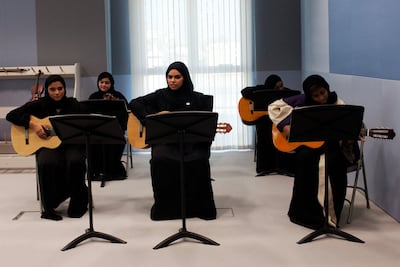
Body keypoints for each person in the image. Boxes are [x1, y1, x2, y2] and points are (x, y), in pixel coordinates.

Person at [128, 61, 217, 221]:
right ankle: (166, 209)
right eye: (169, 77)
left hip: (190, 143)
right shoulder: (160, 95)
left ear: (185, 78)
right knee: (159, 159)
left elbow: (205, 125)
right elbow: (134, 103)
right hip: (165, 142)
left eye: (177, 77)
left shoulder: (197, 99)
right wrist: (150, 118)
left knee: (198, 159)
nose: (172, 80)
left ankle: (197, 208)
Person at [268, 74, 348, 230]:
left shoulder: (337, 103)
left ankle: (330, 215)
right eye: (316, 96)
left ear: (327, 89)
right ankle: (306, 213)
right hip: (309, 144)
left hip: (330, 146)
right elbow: (273, 107)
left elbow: (345, 125)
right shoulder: (301, 100)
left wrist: (350, 136)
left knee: (334, 163)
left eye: (323, 93)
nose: (321, 98)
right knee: (304, 159)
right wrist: (284, 126)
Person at [6, 75, 88, 221]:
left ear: (64, 88)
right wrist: (34, 125)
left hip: (70, 144)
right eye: (52, 89)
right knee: (46, 162)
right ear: (47, 90)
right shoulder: (40, 104)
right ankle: (49, 207)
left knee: (75, 161)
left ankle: (78, 204)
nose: (57, 92)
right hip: (47, 144)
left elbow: (84, 122)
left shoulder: (74, 104)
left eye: (60, 88)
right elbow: (11, 115)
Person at [241, 74, 298, 176]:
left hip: (277, 119)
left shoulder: (285, 92)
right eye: (277, 87)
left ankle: (283, 166)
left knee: (283, 133)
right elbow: (244, 91)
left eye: (281, 86)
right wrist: (262, 91)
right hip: (263, 119)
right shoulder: (261, 90)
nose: (280, 89)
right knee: (264, 132)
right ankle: (265, 167)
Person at [88, 72, 128, 181]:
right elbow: (89, 115)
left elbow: (126, 113)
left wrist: (115, 103)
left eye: (107, 82)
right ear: (98, 83)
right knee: (91, 142)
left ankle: (111, 171)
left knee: (115, 141)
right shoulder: (93, 97)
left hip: (115, 130)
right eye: (101, 82)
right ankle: (97, 170)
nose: (104, 85)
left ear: (111, 84)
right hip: (96, 130)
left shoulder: (119, 96)